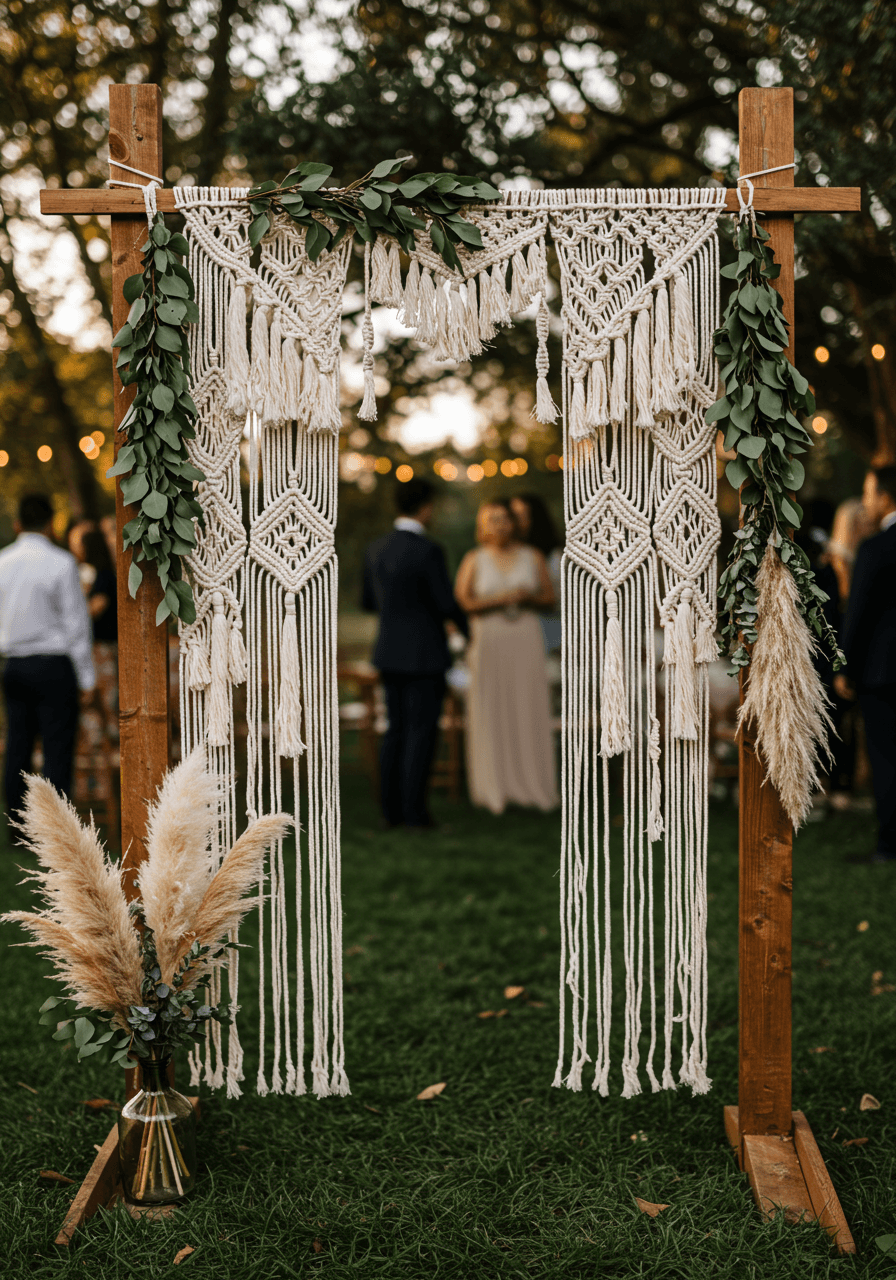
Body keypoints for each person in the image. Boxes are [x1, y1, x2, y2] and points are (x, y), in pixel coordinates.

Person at [362, 478, 468, 829]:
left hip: (388, 652)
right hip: (425, 654)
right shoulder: (429, 550)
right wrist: (467, 630)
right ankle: (415, 814)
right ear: (425, 507)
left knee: (395, 731)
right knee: (421, 732)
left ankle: (390, 813)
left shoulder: (375, 548)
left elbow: (367, 602)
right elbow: (445, 603)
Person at [455, 499, 558, 815]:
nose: (498, 525)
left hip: (524, 639)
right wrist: (500, 600)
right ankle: (494, 787)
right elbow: (464, 602)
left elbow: (550, 598)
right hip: (489, 641)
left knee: (527, 706)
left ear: (513, 523)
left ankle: (531, 786)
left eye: (503, 519)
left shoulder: (533, 556)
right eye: (491, 520)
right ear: (482, 526)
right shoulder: (474, 559)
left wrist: (528, 598)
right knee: (492, 707)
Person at [0, 493, 95, 822]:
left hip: (15, 665)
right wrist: (87, 678)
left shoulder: (2, 562)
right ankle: (55, 828)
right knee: (57, 750)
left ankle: (17, 825)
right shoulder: (62, 563)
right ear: (51, 525)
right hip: (54, 666)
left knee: (17, 748)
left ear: (18, 525)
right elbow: (76, 625)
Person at [837, 465, 896, 862]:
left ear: (886, 497)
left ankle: (890, 845)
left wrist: (845, 668)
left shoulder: (875, 548)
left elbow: (857, 614)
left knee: (886, 758)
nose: (866, 502)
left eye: (869, 493)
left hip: (882, 672)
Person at [510, 492, 563, 653]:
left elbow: (560, 600)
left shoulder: (555, 557)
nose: (515, 521)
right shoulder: (508, 555)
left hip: (552, 634)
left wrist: (530, 598)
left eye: (521, 515)